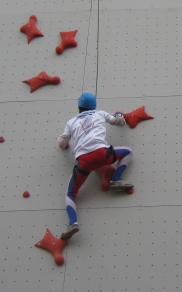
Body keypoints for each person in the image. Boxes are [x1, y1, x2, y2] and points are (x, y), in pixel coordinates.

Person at [57, 92, 134, 240]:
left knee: (70, 194)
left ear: (79, 107)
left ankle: (73, 223)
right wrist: (119, 113)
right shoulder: (100, 114)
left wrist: (64, 145)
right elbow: (120, 122)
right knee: (128, 152)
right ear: (94, 105)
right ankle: (116, 179)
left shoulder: (71, 122)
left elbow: (62, 142)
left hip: (83, 161)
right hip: (102, 154)